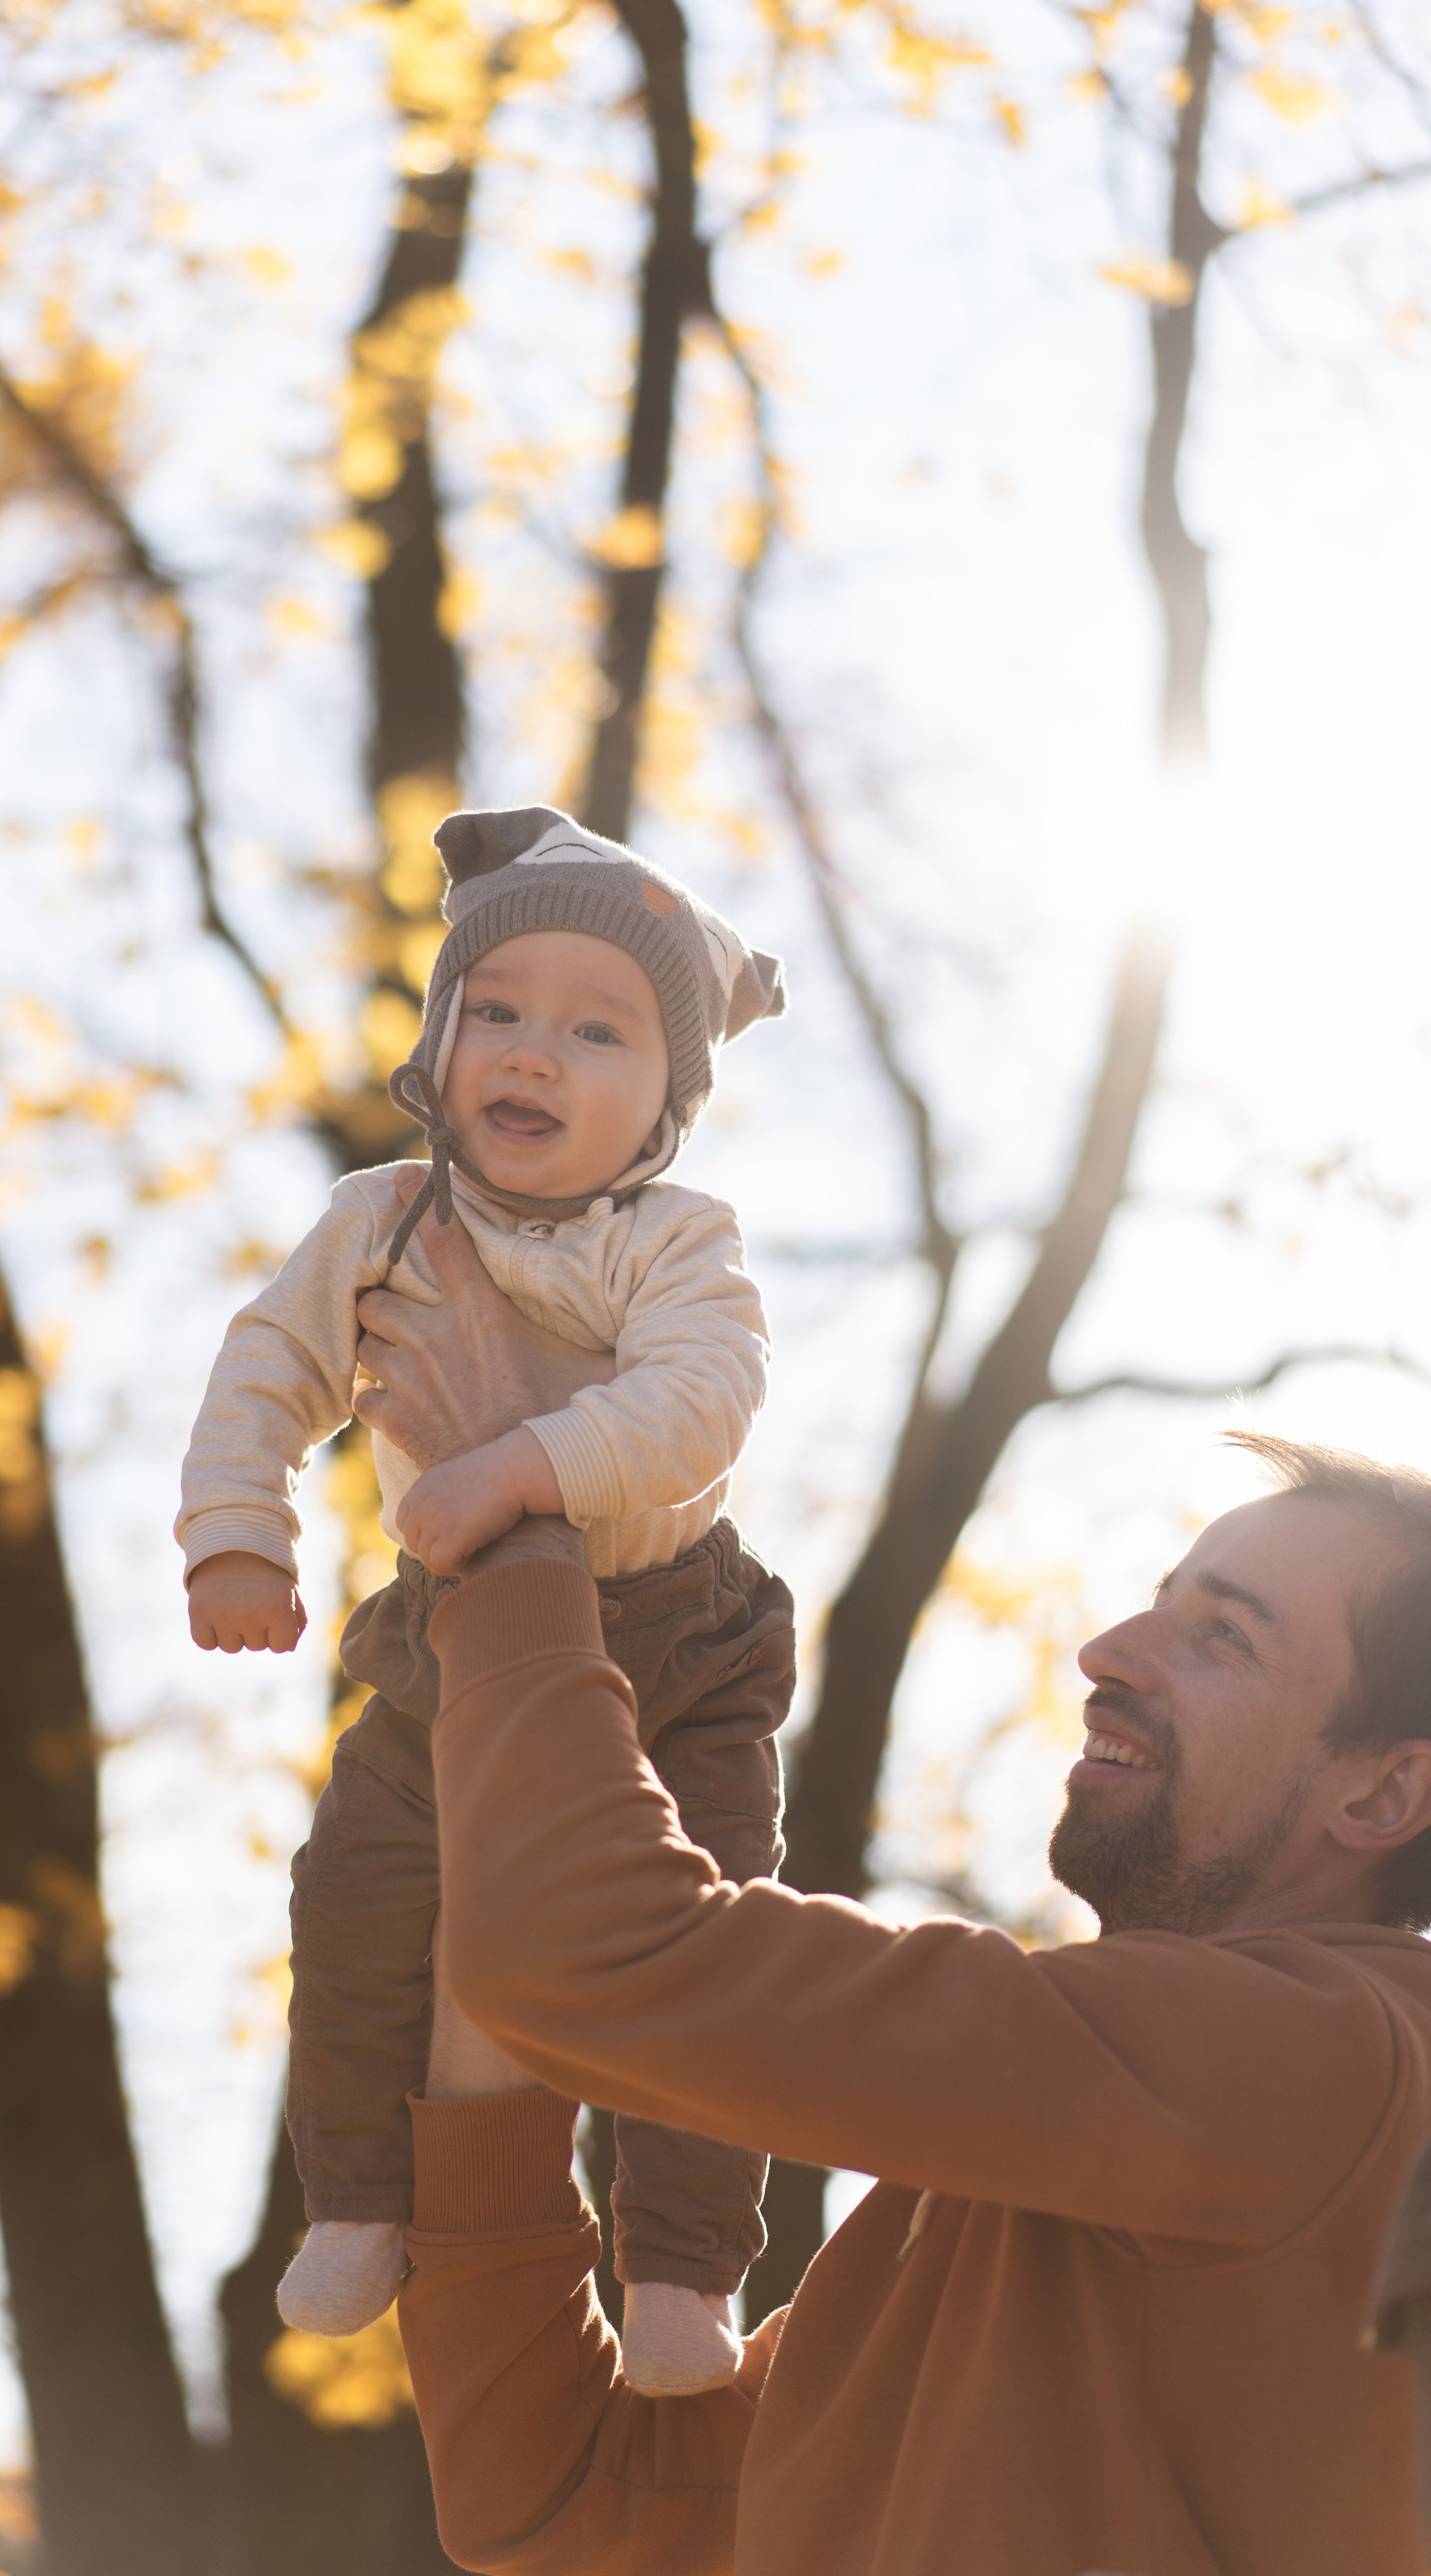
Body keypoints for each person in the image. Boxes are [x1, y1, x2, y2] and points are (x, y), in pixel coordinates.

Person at [349, 1206, 1431, 2576]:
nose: (1108, 1647)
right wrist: (494, 1907)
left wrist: (514, 1517)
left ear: (1379, 1796)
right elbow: (576, 2505)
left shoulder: (1341, 2059)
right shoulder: (1017, 2177)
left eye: (1220, 1636)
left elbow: (595, 1953)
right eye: (1157, 1599)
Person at [177, 805, 792, 2392]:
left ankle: (676, 2270)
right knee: (360, 1900)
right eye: (496, 1011)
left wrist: (516, 1464)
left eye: (598, 1032)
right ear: (440, 1042)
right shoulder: (377, 1221)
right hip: (445, 1643)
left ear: (668, 1106)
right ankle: (360, 2201)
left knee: (695, 1950)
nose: (532, 1054)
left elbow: (702, 1400)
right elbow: (267, 1368)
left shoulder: (672, 1239)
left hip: (675, 1642)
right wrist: (238, 1529)